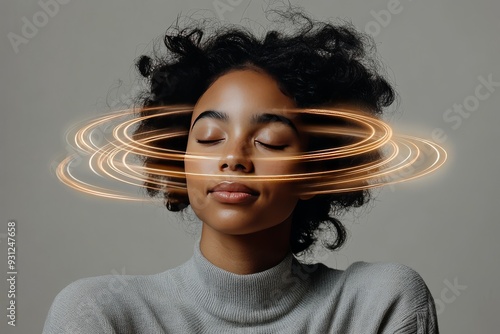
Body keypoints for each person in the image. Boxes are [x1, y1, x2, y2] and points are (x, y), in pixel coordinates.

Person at [43, 9, 439, 334]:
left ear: (315, 170)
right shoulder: (100, 315)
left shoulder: (378, 304)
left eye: (269, 140)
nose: (233, 158)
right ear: (179, 158)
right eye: (210, 137)